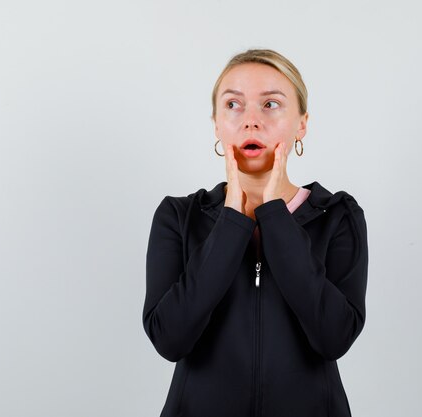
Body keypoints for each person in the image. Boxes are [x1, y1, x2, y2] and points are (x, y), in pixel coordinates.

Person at [142, 48, 369, 417]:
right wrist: (233, 216)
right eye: (233, 104)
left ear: (302, 124)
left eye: (271, 104)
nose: (251, 121)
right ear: (216, 123)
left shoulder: (338, 215)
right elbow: (170, 339)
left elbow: (334, 338)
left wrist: (274, 215)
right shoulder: (178, 216)